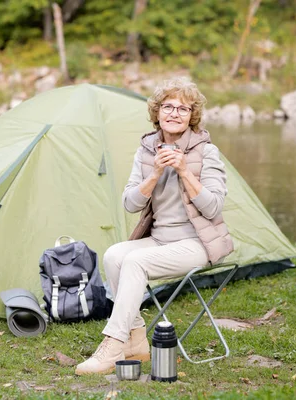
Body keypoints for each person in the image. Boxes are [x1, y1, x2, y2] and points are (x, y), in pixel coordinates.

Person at [75, 77, 234, 375]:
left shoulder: (206, 152)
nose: (174, 113)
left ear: (192, 116)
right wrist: (155, 174)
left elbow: (213, 207)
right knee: (113, 255)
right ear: (157, 112)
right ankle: (135, 340)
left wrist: (185, 171)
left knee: (135, 261)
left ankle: (112, 345)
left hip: (197, 244)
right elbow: (130, 204)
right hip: (161, 240)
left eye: (183, 109)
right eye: (168, 106)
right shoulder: (147, 150)